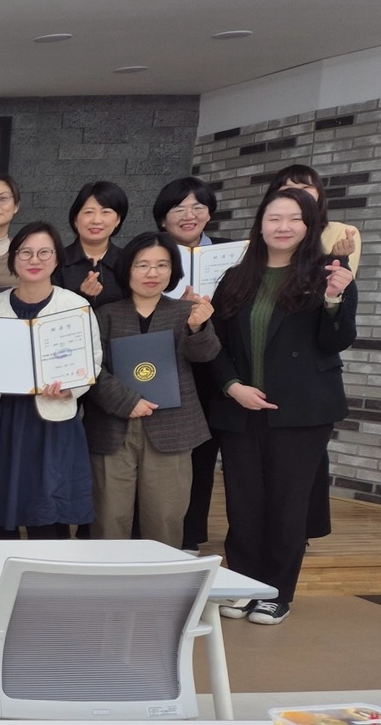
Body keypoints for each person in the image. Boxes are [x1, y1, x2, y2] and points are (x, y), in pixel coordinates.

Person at [210, 188, 356, 625]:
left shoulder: (327, 272)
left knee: (288, 505)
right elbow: (212, 341)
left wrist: (335, 298)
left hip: (301, 411)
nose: (283, 226)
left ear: (309, 226)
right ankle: (242, 584)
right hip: (241, 407)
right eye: (274, 217)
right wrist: (232, 386)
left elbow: (336, 342)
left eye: (294, 218)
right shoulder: (236, 276)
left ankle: (276, 592)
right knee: (244, 502)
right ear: (260, 223)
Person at [0, 222, 100, 540]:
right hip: (2, 417)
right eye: (25, 252)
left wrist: (70, 389)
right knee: (0, 509)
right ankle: (2, 582)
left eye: (43, 252)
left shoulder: (74, 306)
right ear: (14, 259)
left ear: (56, 258)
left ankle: (46, 585)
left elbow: (92, 362)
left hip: (50, 419)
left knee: (48, 510)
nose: (34, 260)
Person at [83, 232, 220, 549]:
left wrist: (199, 327)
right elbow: (90, 369)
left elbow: (205, 356)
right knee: (109, 518)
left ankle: (160, 594)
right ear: (127, 269)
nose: (152, 273)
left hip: (172, 430)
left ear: (173, 271)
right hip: (113, 427)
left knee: (165, 518)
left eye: (162, 265)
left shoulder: (185, 312)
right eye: (142, 265)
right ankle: (106, 589)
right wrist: (128, 401)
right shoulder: (106, 314)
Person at [268, 163, 361, 544]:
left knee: (303, 466)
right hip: (268, 367)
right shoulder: (265, 241)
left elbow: (336, 312)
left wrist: (336, 273)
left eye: (305, 187)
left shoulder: (340, 234)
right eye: (287, 187)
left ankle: (299, 532)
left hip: (309, 370)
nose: (297, 193)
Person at [154, 175, 234, 553]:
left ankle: (189, 536)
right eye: (178, 208)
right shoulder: (150, 255)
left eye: (198, 207)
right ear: (162, 218)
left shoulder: (232, 259)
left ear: (209, 214)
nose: (189, 215)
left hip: (208, 366)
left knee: (202, 453)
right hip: (160, 365)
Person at [54, 180, 130, 310]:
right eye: (89, 212)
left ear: (118, 220)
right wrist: (82, 295)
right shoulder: (57, 261)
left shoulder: (128, 262)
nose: (96, 220)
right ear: (75, 219)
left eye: (106, 212)